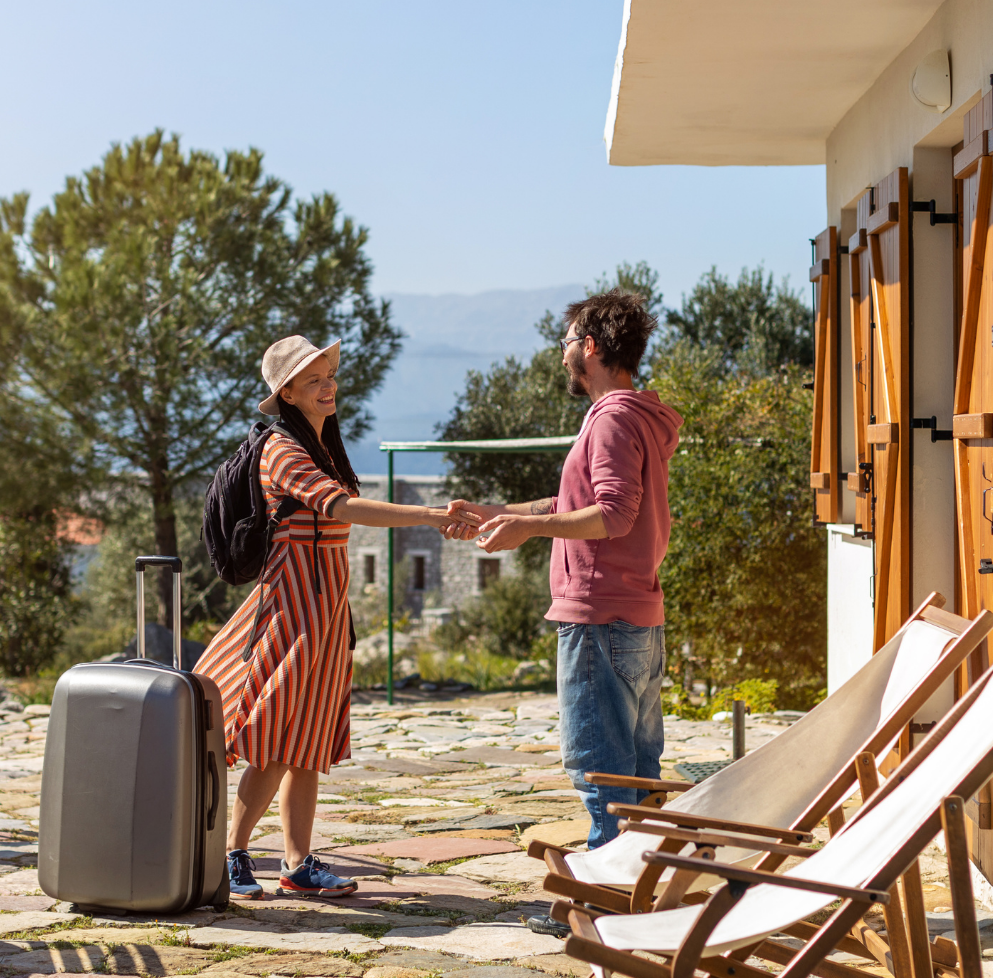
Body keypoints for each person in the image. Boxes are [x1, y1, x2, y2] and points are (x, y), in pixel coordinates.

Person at [196, 335, 479, 900]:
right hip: (289, 608)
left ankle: (297, 863)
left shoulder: (324, 446)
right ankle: (233, 853)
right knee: (276, 738)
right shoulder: (282, 451)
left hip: (325, 612)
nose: (328, 385)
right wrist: (428, 514)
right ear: (287, 393)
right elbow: (342, 508)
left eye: (329, 375)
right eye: (313, 379)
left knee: (311, 741)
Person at [445, 290, 682, 852]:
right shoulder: (637, 416)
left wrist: (529, 532)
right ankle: (640, 891)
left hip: (600, 615)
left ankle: (604, 899)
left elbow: (614, 514)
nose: (561, 352)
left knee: (601, 770)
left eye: (567, 341)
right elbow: (574, 502)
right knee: (638, 774)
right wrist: (503, 514)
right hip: (636, 615)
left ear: (591, 347)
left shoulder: (612, 419)